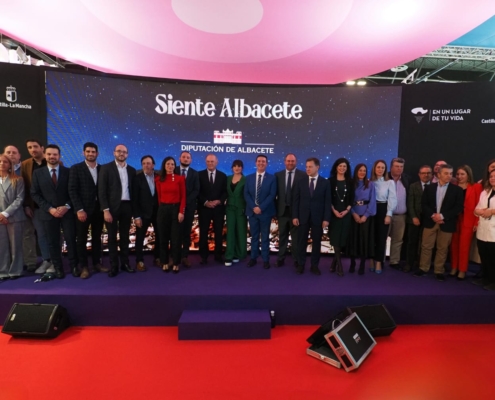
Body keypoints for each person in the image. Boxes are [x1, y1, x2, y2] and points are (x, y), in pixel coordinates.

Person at [31, 144, 78, 279]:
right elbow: (35, 194)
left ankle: (74, 266)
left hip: (67, 213)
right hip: (48, 214)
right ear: (45, 155)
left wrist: (67, 206)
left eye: (55, 154)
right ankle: (58, 268)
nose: (52, 157)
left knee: (70, 240)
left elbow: (73, 192)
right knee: (53, 242)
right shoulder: (37, 173)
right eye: (49, 154)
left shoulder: (68, 172)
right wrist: (50, 209)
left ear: (59, 156)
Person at [414, 164, 464, 281]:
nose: (449, 176)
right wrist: (433, 215)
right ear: (439, 174)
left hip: (446, 223)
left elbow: (458, 208)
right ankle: (423, 268)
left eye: (451, 174)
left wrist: (442, 216)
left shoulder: (457, 190)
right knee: (426, 246)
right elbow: (424, 205)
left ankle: (438, 271)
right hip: (430, 221)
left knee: (442, 248)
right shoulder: (430, 188)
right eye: (446, 173)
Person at [68, 142, 107, 279]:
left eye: (93, 151)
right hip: (82, 211)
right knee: (82, 239)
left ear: (97, 153)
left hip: (99, 210)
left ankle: (97, 263)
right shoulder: (76, 168)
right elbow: (72, 190)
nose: (91, 154)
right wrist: (79, 209)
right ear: (83, 153)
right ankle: (84, 266)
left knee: (97, 238)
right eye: (88, 151)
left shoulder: (103, 169)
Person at [98, 144, 136, 277]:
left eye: (124, 152)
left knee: (125, 237)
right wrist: (106, 210)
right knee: (112, 238)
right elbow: (101, 191)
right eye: (119, 151)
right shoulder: (106, 168)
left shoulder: (132, 170)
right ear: (114, 153)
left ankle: (125, 263)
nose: (121, 154)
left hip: (127, 206)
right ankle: (114, 266)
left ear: (127, 154)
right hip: (111, 208)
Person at [292, 157, 331, 275]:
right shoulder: (301, 181)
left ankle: (314, 265)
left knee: (316, 242)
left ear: (317, 167)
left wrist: (326, 218)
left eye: (310, 167)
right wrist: (295, 216)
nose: (307, 169)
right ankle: (301, 264)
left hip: (318, 218)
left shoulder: (325, 182)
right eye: (306, 167)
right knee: (301, 242)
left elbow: (327, 202)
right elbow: (296, 200)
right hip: (302, 217)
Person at [20, 139, 52, 273]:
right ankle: (46, 260)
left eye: (35, 147)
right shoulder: (25, 165)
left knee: (54, 235)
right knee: (41, 235)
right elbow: (25, 187)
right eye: (29, 147)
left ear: (42, 148)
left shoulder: (53, 161)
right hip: (36, 208)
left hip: (53, 208)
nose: (33, 149)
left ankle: (55, 260)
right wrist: (27, 205)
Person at [449, 165, 483, 280]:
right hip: (454, 219)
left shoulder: (476, 187)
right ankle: (454, 267)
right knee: (454, 245)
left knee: (464, 246)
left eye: (462, 174)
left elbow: (480, 204)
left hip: (469, 220)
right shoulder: (453, 186)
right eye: (457, 174)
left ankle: (462, 270)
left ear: (468, 175)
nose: (459, 176)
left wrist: (476, 222)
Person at [244, 154, 277, 269]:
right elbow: (246, 194)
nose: (261, 163)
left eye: (263, 161)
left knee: (265, 237)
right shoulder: (249, 178)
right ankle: (253, 258)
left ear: (266, 164)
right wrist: (254, 207)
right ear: (255, 163)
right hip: (252, 212)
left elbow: (272, 195)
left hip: (265, 212)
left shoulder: (272, 178)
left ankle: (265, 259)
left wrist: (260, 207)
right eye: (259, 161)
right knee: (254, 236)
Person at [155, 156, 185, 273]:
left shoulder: (180, 179)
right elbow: (159, 197)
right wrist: (162, 209)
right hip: (163, 209)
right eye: (168, 164)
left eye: (172, 164)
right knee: (163, 238)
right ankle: (165, 262)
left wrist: (181, 211)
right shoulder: (158, 179)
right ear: (164, 165)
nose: (170, 166)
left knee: (175, 239)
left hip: (176, 209)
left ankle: (176, 263)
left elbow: (183, 197)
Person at [275, 153, 305, 268]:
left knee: (296, 238)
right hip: (282, 212)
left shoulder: (302, 175)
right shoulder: (278, 175)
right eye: (288, 161)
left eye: (292, 161)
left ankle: (296, 259)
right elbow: (275, 194)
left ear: (296, 162)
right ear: (284, 162)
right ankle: (280, 258)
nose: (290, 163)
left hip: (296, 213)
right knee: (282, 236)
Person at [0, 154, 26, 280]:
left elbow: (19, 199)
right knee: (2, 246)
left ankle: (15, 270)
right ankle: (2, 271)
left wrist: (5, 213)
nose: (2, 164)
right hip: (0, 219)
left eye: (5, 162)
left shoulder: (18, 179)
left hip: (15, 217)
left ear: (10, 165)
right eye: (0, 161)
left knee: (16, 246)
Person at [132, 155, 160, 272]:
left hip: (158, 213)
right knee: (140, 238)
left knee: (160, 236)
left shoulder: (159, 177)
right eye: (144, 163)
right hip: (143, 214)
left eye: (148, 163)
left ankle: (158, 258)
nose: (146, 165)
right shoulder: (137, 178)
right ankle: (139, 260)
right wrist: (137, 216)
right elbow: (134, 199)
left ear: (153, 165)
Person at [197, 154, 227, 264]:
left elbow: (225, 192)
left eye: (212, 161)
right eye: (208, 161)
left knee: (219, 233)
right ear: (205, 162)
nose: (210, 163)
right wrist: (206, 202)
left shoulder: (223, 176)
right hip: (204, 208)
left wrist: (219, 201)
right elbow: (197, 191)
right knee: (203, 232)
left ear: (217, 162)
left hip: (218, 209)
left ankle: (218, 255)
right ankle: (203, 256)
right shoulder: (199, 175)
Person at [348, 163, 376, 275]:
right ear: (356, 171)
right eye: (360, 170)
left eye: (364, 170)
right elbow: (348, 200)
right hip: (353, 214)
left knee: (364, 240)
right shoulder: (351, 184)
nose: (362, 172)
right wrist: (353, 213)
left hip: (366, 216)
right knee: (353, 240)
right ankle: (352, 263)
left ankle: (362, 264)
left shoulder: (370, 184)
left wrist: (365, 216)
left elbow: (373, 201)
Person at [328, 158, 354, 276]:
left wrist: (346, 210)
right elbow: (328, 199)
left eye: (344, 166)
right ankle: (340, 266)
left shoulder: (350, 181)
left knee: (342, 240)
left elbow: (352, 199)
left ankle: (334, 263)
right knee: (335, 240)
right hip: (334, 215)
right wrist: (334, 211)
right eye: (340, 166)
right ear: (336, 167)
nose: (342, 168)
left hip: (346, 214)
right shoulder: (330, 181)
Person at [404, 165, 432, 273]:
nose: (426, 175)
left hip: (429, 220)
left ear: (431, 175)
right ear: (419, 174)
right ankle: (409, 263)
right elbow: (410, 203)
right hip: (414, 219)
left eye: (428, 173)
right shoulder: (413, 186)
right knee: (412, 242)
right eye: (423, 173)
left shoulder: (434, 187)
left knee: (425, 244)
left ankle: (422, 264)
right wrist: (414, 217)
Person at [370, 160, 397, 274]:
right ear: (374, 168)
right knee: (371, 238)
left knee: (381, 238)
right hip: (370, 210)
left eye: (382, 167)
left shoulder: (389, 182)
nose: (380, 169)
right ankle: (371, 259)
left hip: (383, 209)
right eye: (378, 167)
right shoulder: (369, 181)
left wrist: (388, 214)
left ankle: (378, 262)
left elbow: (392, 198)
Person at [174, 151, 200, 267]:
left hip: (189, 207)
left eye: (188, 157)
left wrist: (185, 201)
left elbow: (196, 190)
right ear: (179, 158)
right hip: (174, 207)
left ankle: (184, 256)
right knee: (174, 232)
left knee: (186, 232)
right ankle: (174, 256)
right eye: (183, 157)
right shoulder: (173, 171)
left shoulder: (195, 173)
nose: (185, 159)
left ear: (191, 160)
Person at [473, 169, 495, 291]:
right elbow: (477, 209)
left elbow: (490, 210)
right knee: (484, 256)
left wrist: (491, 211)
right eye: (491, 176)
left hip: (494, 232)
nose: (492, 178)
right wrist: (479, 211)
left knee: (493, 257)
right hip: (483, 230)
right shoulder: (485, 192)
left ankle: (494, 281)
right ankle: (486, 278)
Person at [388, 157, 409, 270]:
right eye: (397, 166)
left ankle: (394, 261)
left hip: (401, 216)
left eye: (401, 167)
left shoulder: (406, 179)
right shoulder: (384, 178)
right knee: (382, 239)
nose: (399, 169)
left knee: (398, 240)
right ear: (391, 166)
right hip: (386, 216)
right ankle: (379, 260)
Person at [224, 160, 247, 266]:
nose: (237, 168)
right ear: (232, 168)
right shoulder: (228, 178)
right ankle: (229, 255)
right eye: (235, 166)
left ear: (242, 168)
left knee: (240, 232)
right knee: (230, 233)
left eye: (239, 166)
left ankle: (238, 254)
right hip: (229, 209)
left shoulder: (246, 180)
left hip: (241, 209)